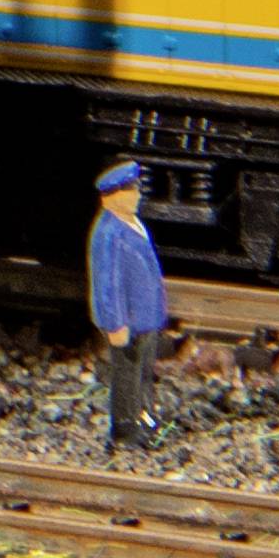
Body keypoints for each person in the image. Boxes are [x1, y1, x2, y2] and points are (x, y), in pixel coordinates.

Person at [86, 158, 169, 454]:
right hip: (127, 322)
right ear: (110, 196)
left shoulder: (133, 225)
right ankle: (124, 430)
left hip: (145, 318)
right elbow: (106, 285)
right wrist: (114, 323)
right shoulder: (108, 234)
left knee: (144, 373)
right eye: (130, 191)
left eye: (136, 189)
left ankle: (144, 419)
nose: (137, 195)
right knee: (126, 376)